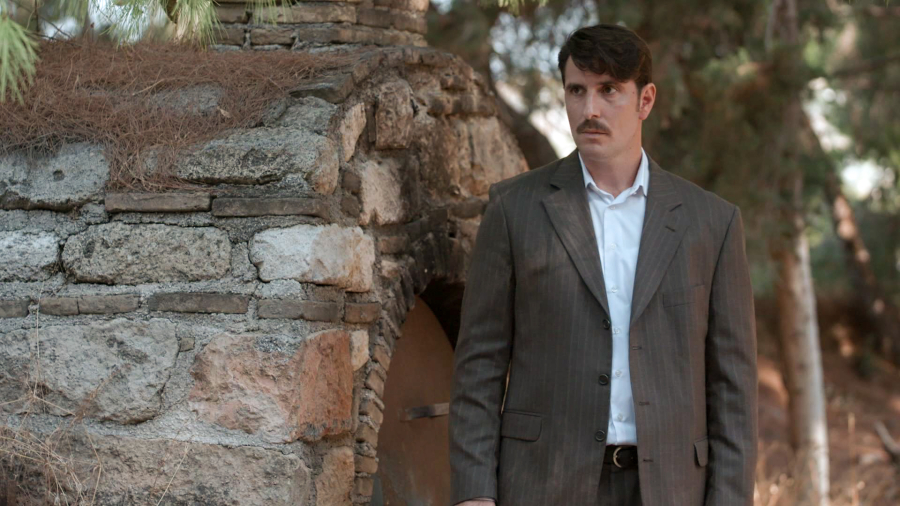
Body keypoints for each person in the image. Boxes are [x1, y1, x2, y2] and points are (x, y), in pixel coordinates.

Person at [448, 23, 758, 506]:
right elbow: (479, 368)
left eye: (608, 90)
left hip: (672, 489)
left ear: (645, 100)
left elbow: (733, 391)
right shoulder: (514, 210)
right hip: (542, 485)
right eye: (577, 90)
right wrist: (474, 495)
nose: (589, 109)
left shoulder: (712, 224)